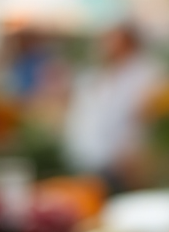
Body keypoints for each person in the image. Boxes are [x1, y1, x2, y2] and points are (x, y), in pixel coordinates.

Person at [63, 25, 163, 191]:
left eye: (110, 39)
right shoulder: (98, 74)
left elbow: (146, 120)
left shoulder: (146, 75)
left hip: (122, 166)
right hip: (89, 163)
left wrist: (133, 153)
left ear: (128, 42)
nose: (104, 45)